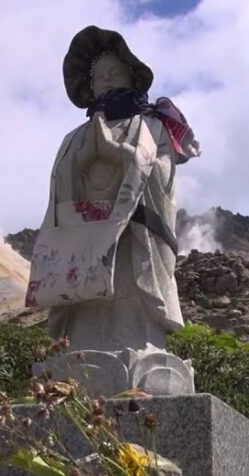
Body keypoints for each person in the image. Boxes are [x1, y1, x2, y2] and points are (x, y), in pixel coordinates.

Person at [27, 25, 200, 360]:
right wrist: (82, 160)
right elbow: (60, 181)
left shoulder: (152, 126)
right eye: (98, 77)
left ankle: (139, 346)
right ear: (89, 86)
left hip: (134, 235)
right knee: (87, 296)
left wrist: (119, 154)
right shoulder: (76, 136)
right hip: (86, 236)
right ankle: (79, 350)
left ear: (131, 76)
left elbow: (163, 174)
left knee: (127, 295)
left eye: (113, 72)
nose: (105, 81)